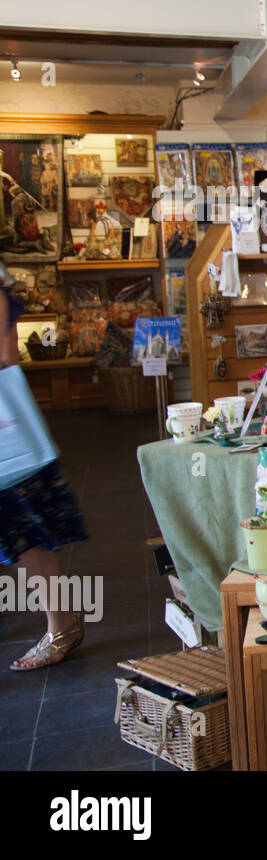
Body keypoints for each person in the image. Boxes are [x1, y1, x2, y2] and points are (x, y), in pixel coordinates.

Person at [0, 260, 90, 670]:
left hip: (8, 439)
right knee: (22, 532)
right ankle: (61, 624)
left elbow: (4, 351)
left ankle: (61, 626)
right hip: (11, 434)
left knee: (23, 532)